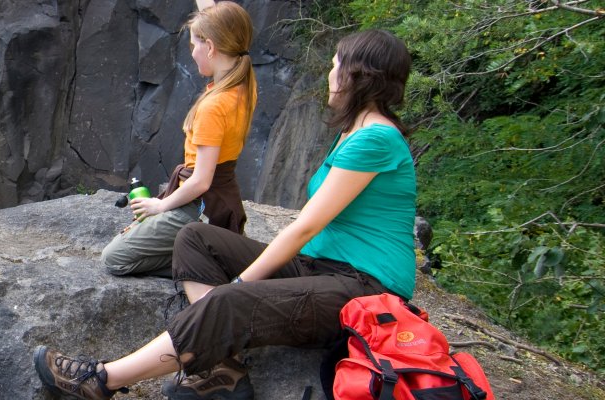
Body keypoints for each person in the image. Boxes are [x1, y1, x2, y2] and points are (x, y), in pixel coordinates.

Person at [35, 29, 416, 400]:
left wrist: (240, 283)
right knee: (194, 238)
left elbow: (305, 227)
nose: (330, 75)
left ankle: (102, 380)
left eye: (336, 66)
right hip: (320, 267)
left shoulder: (375, 139)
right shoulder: (354, 131)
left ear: (357, 75)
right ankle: (223, 367)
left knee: (229, 298)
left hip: (365, 289)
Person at [100, 1, 257, 278]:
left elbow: (202, 181)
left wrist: (160, 206)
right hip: (222, 201)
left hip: (199, 207)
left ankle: (204, 261)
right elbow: (221, 20)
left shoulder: (213, 106)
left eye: (194, 45)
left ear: (210, 47)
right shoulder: (244, 86)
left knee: (114, 259)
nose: (192, 53)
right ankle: (207, 250)